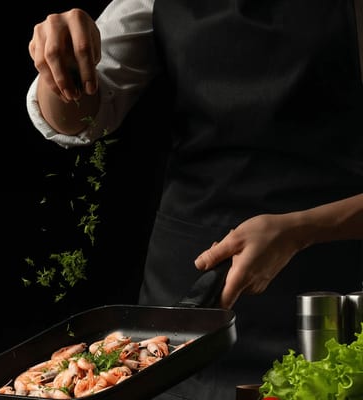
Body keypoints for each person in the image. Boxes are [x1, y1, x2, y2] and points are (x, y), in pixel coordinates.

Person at [26, 0, 363, 398]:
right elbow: (81, 118)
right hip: (186, 301)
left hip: (327, 299)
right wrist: (59, 71)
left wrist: (301, 229)